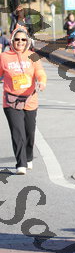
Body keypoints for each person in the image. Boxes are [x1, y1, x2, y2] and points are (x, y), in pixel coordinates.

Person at [0, 27, 47, 174]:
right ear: (12, 41)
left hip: (30, 100)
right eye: (17, 39)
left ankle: (28, 157)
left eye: (23, 39)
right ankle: (21, 164)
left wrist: (42, 81)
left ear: (28, 41)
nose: (20, 42)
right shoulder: (4, 57)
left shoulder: (33, 56)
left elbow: (40, 72)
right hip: (11, 101)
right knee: (17, 131)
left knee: (29, 133)